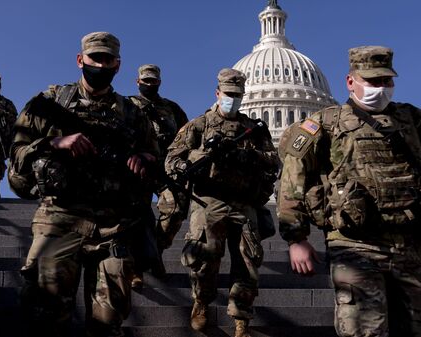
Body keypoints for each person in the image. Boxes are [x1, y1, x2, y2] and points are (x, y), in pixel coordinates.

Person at [8, 32, 159, 337]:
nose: (100, 65)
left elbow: (156, 156)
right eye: (95, 58)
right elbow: (16, 155)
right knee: (47, 314)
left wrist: (144, 158)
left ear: (117, 65)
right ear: (80, 60)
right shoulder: (48, 103)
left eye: (107, 60)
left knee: (108, 322)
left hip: (113, 224)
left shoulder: (133, 113)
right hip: (60, 218)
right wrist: (54, 142)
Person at [277, 46, 421, 337]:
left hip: (409, 243)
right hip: (354, 243)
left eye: (386, 81)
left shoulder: (411, 121)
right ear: (350, 81)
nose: (380, 88)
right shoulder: (323, 123)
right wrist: (296, 237)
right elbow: (294, 176)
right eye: (372, 81)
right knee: (364, 330)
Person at [165, 68, 279, 335]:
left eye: (238, 95)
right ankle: (201, 302)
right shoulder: (199, 126)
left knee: (248, 263)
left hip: (244, 202)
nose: (233, 99)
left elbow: (273, 162)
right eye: (229, 94)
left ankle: (241, 319)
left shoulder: (253, 130)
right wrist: (204, 155)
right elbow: (172, 160)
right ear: (218, 93)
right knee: (204, 259)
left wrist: (251, 158)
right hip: (209, 201)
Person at [128, 64, 189, 287]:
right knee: (138, 215)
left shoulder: (172, 109)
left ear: (159, 82)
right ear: (137, 82)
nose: (149, 84)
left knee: (176, 209)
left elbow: (186, 136)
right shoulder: (127, 105)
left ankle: (155, 252)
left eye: (153, 81)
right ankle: (136, 267)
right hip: (138, 167)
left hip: (166, 168)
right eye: (145, 81)